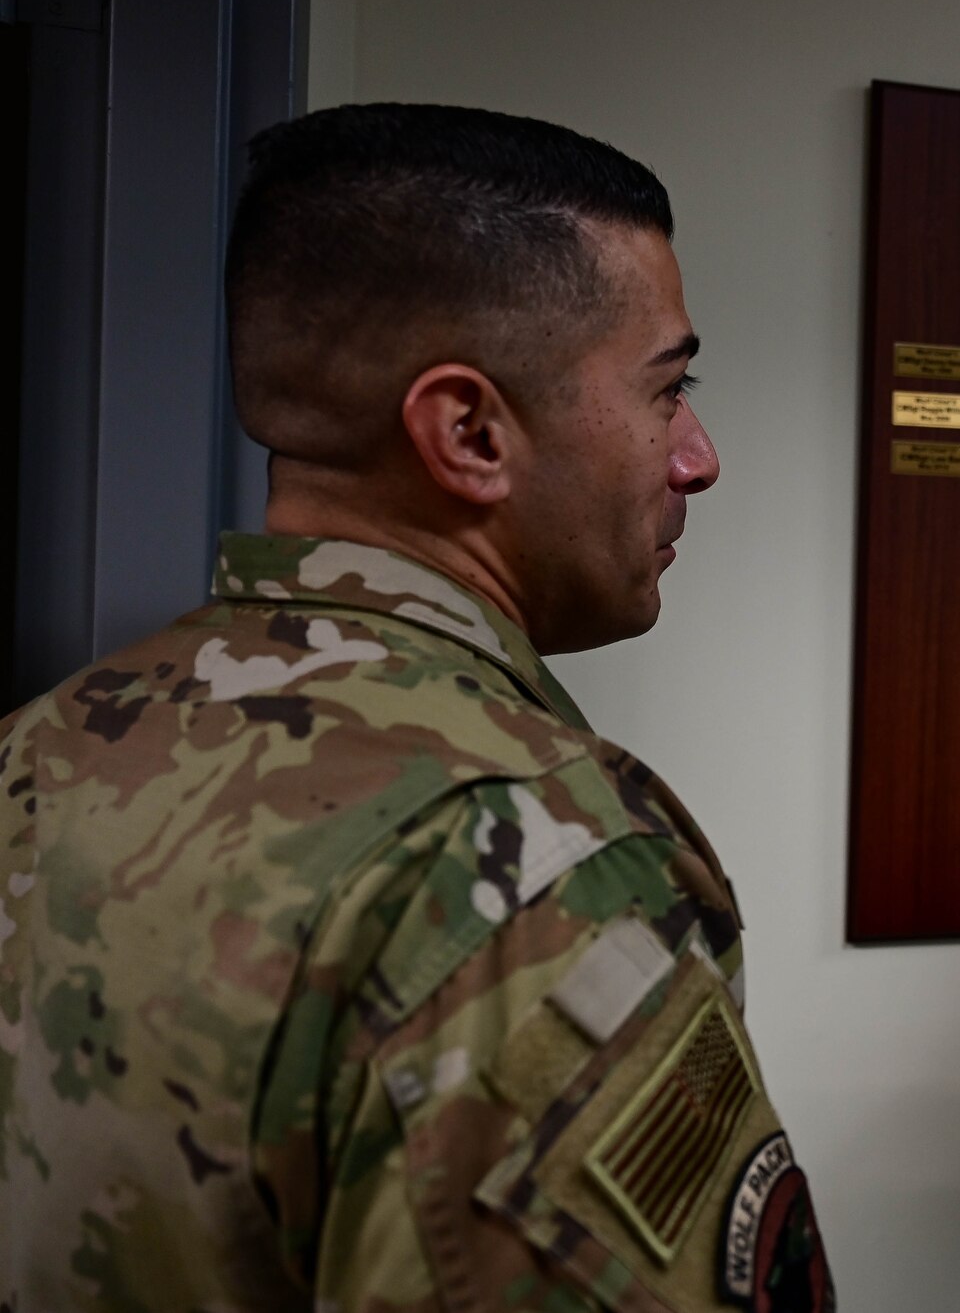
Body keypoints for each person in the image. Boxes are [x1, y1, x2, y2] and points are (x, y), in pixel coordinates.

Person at [0, 105, 832, 1312]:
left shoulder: (41, 747)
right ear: (470, 432)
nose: (695, 455)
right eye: (668, 388)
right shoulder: (528, 868)